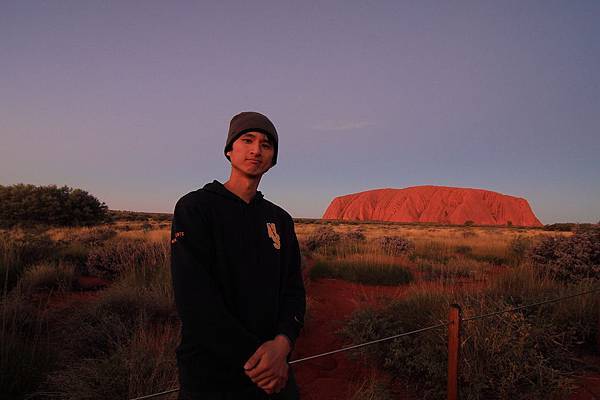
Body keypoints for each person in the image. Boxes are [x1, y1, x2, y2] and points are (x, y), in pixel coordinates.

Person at [170, 111, 306, 400]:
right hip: (212, 374)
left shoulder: (280, 220)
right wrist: (261, 361)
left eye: (266, 145)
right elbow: (194, 299)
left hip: (274, 372)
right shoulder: (196, 208)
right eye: (247, 140)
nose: (257, 150)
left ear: (273, 159)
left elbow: (293, 290)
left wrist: (282, 345)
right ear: (229, 150)